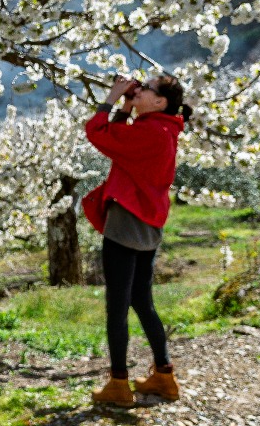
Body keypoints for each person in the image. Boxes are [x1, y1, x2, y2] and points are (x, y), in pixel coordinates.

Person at [82, 74, 193, 407]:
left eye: (146, 89)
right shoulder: (164, 129)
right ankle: (164, 376)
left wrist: (112, 98)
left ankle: (118, 385)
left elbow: (99, 134)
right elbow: (118, 141)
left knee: (117, 306)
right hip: (148, 225)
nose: (139, 90)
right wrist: (127, 106)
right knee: (142, 301)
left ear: (160, 102)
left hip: (126, 225)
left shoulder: (150, 132)